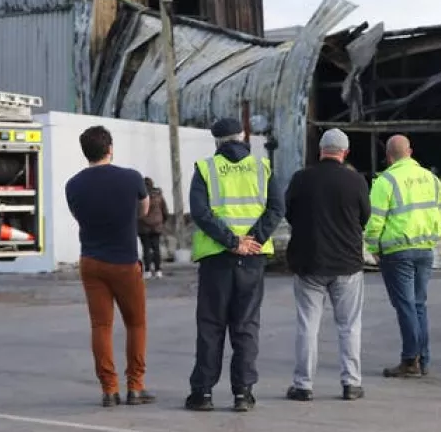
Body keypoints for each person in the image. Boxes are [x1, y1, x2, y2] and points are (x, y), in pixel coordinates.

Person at [185, 117, 285, 413]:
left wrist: (231, 241)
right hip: (252, 259)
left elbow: (200, 213)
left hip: (217, 258)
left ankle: (202, 394)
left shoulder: (206, 169)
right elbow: (276, 208)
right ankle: (243, 393)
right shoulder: (262, 167)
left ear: (216, 142)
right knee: (245, 326)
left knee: (211, 326)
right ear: (243, 137)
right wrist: (252, 239)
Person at [64, 125, 156, 407]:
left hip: (91, 261)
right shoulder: (131, 178)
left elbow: (77, 215)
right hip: (125, 262)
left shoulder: (73, 185)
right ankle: (136, 386)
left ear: (85, 152)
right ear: (110, 148)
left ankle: (109, 389)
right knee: (136, 324)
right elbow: (144, 210)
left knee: (101, 326)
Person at [284, 129, 370, 403]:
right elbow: (364, 217)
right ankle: (351, 383)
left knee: (308, 325)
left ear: (320, 150)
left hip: (309, 262)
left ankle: (303, 385)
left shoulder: (301, 179)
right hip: (347, 264)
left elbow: (289, 213)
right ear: (345, 152)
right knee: (349, 326)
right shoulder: (356, 181)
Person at [365, 134, 441, 378]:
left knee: (405, 306)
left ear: (389, 157)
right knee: (418, 304)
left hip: (396, 252)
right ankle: (424, 359)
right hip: (424, 249)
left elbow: (374, 219)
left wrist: (373, 247)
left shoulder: (385, 181)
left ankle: (410, 359)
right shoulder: (431, 179)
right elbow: (440, 212)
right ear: (410, 152)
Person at [138, 176, 169, 279]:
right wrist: (162, 221)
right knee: (156, 249)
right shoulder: (158, 195)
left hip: (143, 227)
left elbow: (137, 212)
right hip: (156, 226)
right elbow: (165, 211)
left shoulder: (139, 196)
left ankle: (147, 271)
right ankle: (158, 270)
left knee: (146, 249)